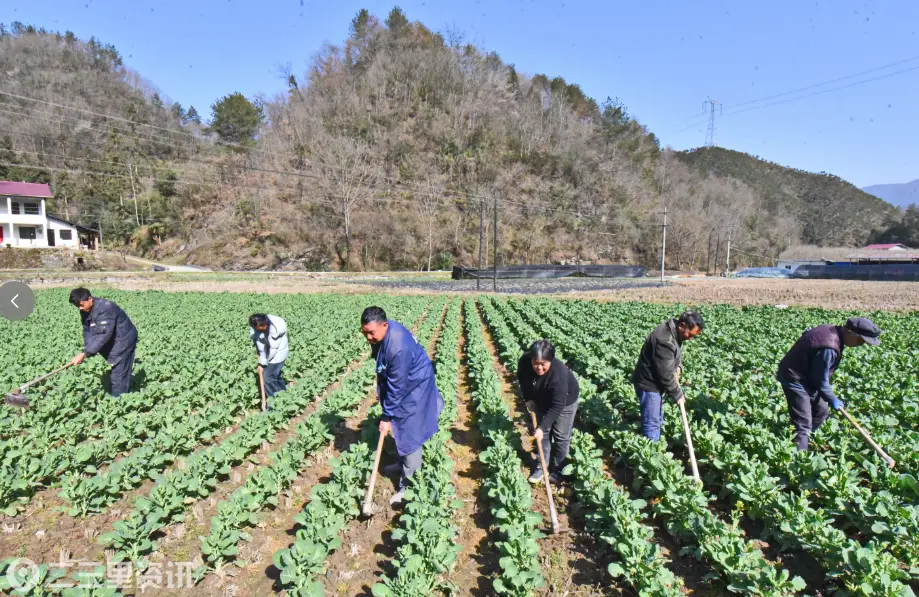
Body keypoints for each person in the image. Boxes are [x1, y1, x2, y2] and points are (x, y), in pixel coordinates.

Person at [360, 306, 443, 505]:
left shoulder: (398, 347)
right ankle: (402, 462)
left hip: (415, 387)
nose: (368, 338)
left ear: (384, 325)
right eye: (365, 333)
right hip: (406, 382)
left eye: (371, 333)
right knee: (400, 425)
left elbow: (397, 386)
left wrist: (386, 417)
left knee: (410, 434)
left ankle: (409, 486)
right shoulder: (385, 334)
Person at [777, 317, 881, 451]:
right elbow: (819, 380)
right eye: (861, 340)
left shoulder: (832, 331)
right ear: (850, 332)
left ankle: (805, 440)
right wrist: (832, 398)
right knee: (803, 424)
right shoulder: (829, 346)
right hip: (794, 377)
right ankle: (798, 456)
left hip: (806, 376)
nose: (861, 344)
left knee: (821, 411)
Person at [631, 311, 705, 441]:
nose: (690, 338)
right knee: (652, 423)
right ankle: (650, 450)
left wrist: (678, 367)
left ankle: (655, 445)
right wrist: (678, 394)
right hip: (649, 384)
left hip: (655, 381)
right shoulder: (664, 340)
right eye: (690, 334)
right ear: (682, 325)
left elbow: (673, 356)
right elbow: (665, 374)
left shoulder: (675, 332)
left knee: (657, 419)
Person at [517, 339, 579, 485]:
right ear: (531, 358)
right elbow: (523, 379)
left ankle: (559, 469)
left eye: (543, 364)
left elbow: (557, 406)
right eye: (536, 363)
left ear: (550, 360)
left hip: (565, 401)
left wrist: (542, 427)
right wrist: (528, 398)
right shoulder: (525, 361)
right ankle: (541, 466)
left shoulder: (558, 375)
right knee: (543, 435)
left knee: (561, 435)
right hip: (541, 397)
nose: (539, 367)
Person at [69, 288, 138, 397]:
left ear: (90, 299)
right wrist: (87, 349)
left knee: (119, 374)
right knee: (117, 368)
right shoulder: (85, 310)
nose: (80, 308)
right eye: (77, 306)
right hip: (113, 338)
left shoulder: (105, 308)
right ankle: (123, 387)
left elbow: (103, 335)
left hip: (124, 339)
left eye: (81, 305)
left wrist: (85, 353)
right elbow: (87, 330)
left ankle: (120, 401)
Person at [249, 313, 289, 407]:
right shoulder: (256, 324)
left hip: (277, 355)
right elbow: (256, 335)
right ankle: (284, 395)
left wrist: (261, 364)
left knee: (267, 378)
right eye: (258, 328)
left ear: (265, 322)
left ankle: (274, 403)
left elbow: (271, 350)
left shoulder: (275, 330)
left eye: (262, 326)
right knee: (276, 375)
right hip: (268, 354)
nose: (261, 328)